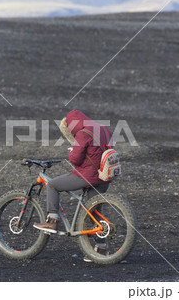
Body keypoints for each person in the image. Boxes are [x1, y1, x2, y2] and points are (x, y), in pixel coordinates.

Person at [33, 110, 113, 261]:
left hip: (89, 175)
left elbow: (76, 160)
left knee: (53, 185)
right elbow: (97, 151)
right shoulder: (103, 128)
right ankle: (101, 249)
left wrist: (72, 152)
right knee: (93, 212)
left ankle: (52, 222)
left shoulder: (83, 134)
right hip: (105, 175)